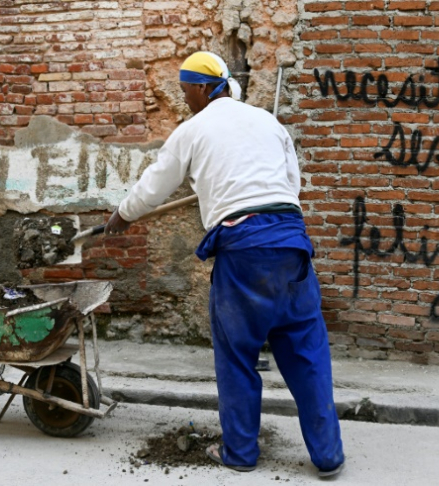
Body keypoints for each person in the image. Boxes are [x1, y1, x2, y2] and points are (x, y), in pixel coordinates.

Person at [104, 51, 345, 478]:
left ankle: (239, 452)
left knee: (236, 355)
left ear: (200, 88)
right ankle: (327, 456)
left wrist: (123, 215)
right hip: (292, 246)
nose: (184, 102)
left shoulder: (193, 130)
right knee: (307, 352)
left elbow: (154, 185)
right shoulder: (267, 123)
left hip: (244, 251)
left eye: (185, 92)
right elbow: (292, 184)